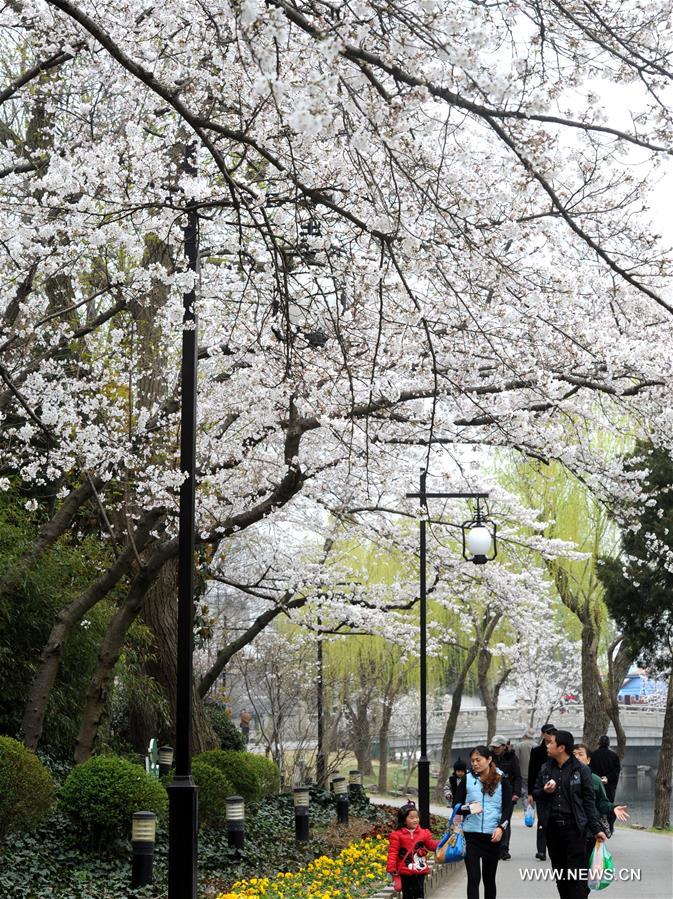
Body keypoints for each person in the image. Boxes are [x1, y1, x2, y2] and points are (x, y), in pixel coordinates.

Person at [533, 730, 607, 899]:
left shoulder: (581, 770)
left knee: (576, 878)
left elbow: (589, 802)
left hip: (574, 830)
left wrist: (596, 829)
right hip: (552, 830)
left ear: (561, 747)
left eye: (551, 743)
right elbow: (536, 793)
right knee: (561, 878)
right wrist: (544, 791)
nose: (547, 745)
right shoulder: (545, 769)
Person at [454, 745, 513, 899]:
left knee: (489, 879)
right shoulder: (467, 779)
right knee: (473, 878)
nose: (474, 763)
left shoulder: (502, 780)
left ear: (489, 760)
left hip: (492, 836)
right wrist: (470, 808)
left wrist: (501, 828)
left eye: (478, 760)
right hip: (471, 836)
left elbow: (507, 809)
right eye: (472, 760)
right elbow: (457, 806)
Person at [386, 801, 439, 899]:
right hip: (405, 871)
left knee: (419, 893)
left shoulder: (423, 833)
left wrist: (444, 842)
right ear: (403, 820)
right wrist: (391, 868)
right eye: (411, 818)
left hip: (420, 869)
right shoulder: (397, 835)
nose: (415, 820)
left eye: (416, 817)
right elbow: (393, 852)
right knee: (408, 894)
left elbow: (431, 845)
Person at [574, 744, 629, 833]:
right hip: (568, 830)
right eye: (574, 754)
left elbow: (602, 802)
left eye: (580, 754)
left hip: (590, 830)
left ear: (588, 760)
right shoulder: (562, 777)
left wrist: (613, 808)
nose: (576, 757)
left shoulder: (595, 780)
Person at [527, 723, 557, 861]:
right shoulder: (537, 751)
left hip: (557, 789)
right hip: (540, 789)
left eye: (552, 732)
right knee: (542, 820)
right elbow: (532, 772)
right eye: (548, 732)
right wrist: (530, 793)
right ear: (543, 734)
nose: (550, 735)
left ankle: (554, 848)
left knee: (554, 820)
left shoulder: (559, 749)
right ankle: (541, 850)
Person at [489, 735, 521, 860]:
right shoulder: (489, 757)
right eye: (493, 747)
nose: (495, 749)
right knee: (494, 819)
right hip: (493, 793)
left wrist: (516, 793)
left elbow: (518, 776)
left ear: (504, 746)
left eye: (498, 747)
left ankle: (504, 848)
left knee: (505, 820)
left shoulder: (512, 757)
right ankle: (494, 847)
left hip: (509, 793)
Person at [589, 735, 621, 830]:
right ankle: (610, 826)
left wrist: (598, 779)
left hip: (595, 784)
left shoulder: (593, 755)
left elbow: (590, 769)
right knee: (609, 804)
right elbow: (616, 770)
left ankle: (598, 825)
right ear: (608, 744)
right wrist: (607, 778)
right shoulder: (614, 756)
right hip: (609, 785)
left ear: (599, 743)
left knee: (597, 804)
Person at [517, 728, 537, 798]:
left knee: (525, 793)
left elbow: (517, 760)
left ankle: (527, 808)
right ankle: (532, 808)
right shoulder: (536, 746)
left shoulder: (519, 745)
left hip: (522, 774)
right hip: (535, 774)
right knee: (533, 792)